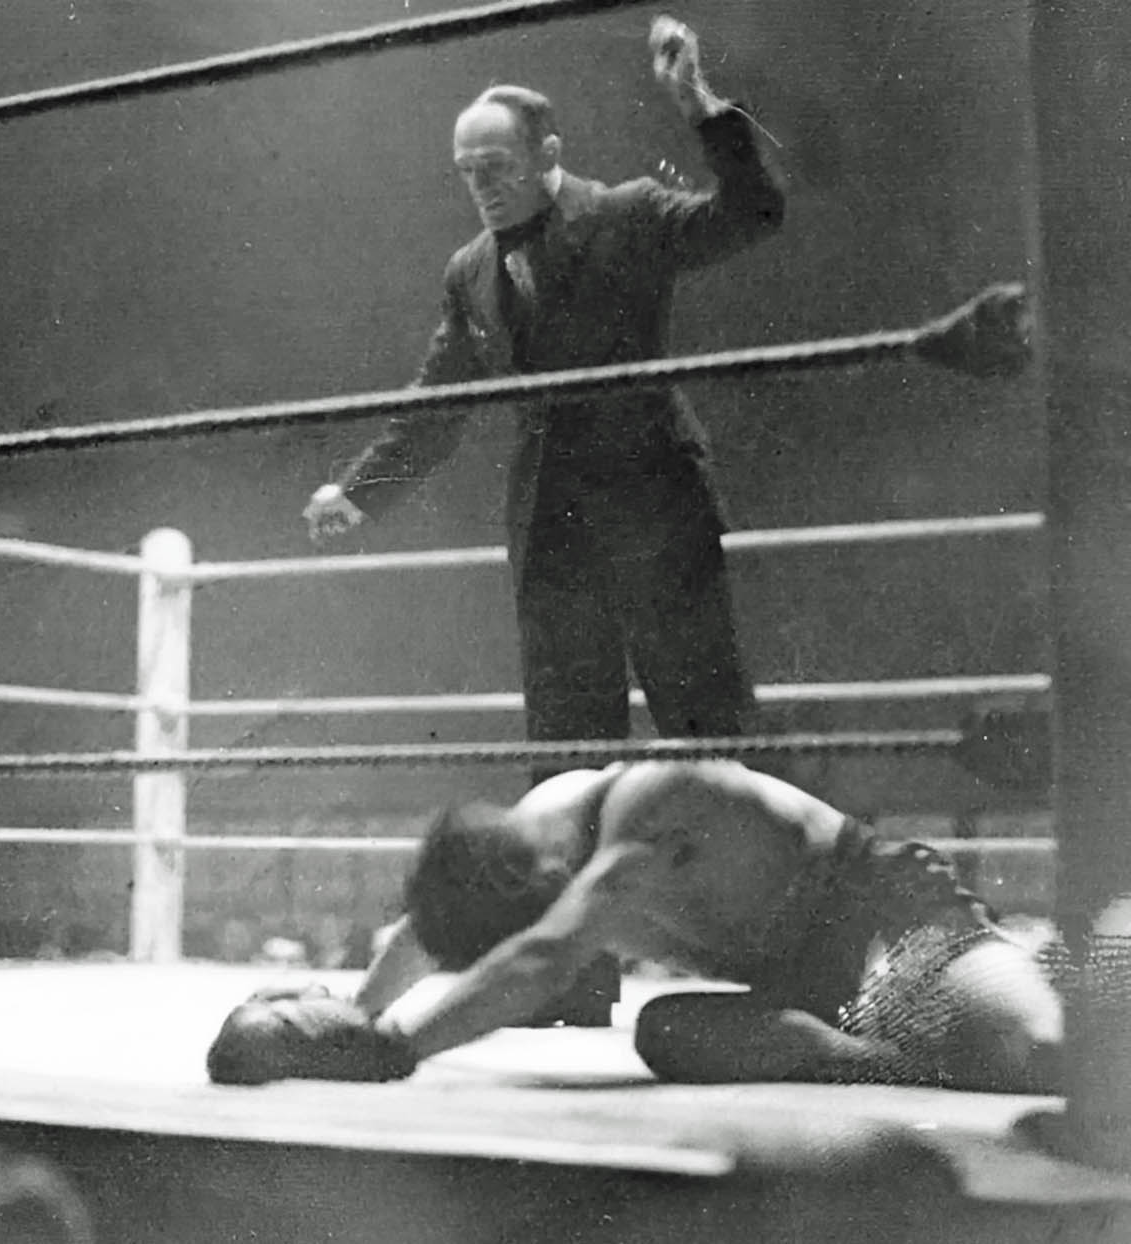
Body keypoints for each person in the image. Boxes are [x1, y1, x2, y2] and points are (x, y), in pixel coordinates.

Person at [302, 16, 787, 1024]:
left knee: (712, 736)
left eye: (496, 161)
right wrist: (359, 488)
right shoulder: (469, 270)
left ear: (546, 154)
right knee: (564, 759)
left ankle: (787, 952)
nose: (479, 179)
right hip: (553, 535)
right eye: (464, 166)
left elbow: (751, 212)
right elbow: (439, 397)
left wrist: (698, 109)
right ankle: (571, 978)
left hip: (654, 511)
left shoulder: (625, 214)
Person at [205, 760, 1064, 1095]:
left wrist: (392, 1049)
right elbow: (426, 931)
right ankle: (893, 1062)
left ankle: (1020, 970)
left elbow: (538, 959)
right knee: (668, 1031)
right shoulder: (518, 850)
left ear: (543, 880)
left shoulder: (640, 813)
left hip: (889, 922)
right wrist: (357, 1015)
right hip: (804, 984)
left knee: (1044, 1051)